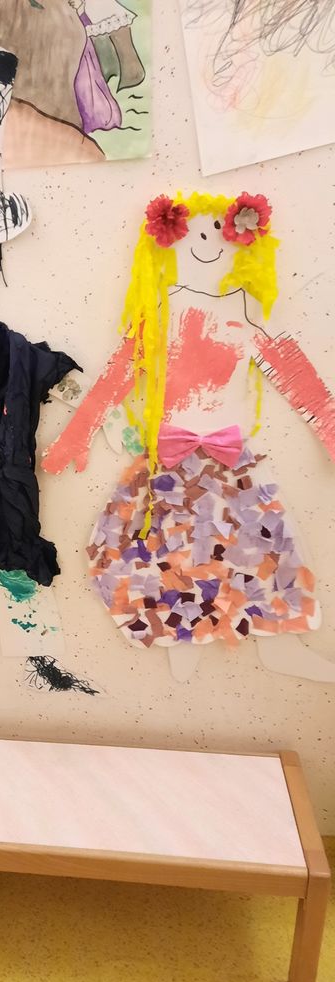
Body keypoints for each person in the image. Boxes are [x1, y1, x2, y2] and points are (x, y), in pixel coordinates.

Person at [43, 191, 335, 683]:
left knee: (259, 556)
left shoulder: (249, 313)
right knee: (164, 556)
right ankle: (182, 646)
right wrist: (76, 435)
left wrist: (329, 427)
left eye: (220, 232)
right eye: (195, 233)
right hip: (168, 469)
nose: (208, 243)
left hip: (231, 466)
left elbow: (294, 371)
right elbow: (118, 375)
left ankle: (277, 647)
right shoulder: (157, 313)